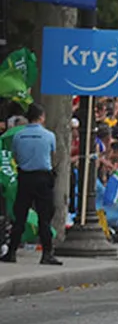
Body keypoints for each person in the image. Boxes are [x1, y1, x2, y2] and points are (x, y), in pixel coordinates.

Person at [2, 104, 61, 265]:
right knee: (44, 217)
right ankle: (47, 253)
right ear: (41, 117)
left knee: (19, 216)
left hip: (25, 177)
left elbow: (15, 155)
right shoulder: (49, 136)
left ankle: (12, 251)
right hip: (43, 178)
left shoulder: (18, 136)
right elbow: (52, 155)